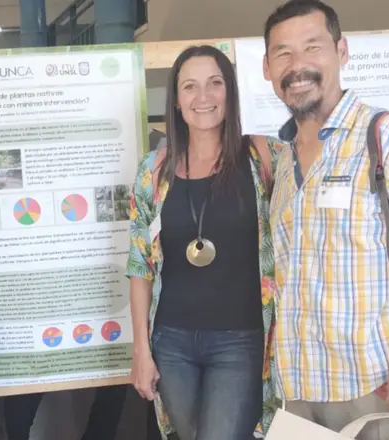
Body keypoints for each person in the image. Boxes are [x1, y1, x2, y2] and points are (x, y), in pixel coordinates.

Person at [263, 1, 389, 438]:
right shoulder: (283, 163)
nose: (298, 65)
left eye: (312, 47)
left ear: (342, 51)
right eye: (283, 53)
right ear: (267, 68)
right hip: (297, 391)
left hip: (373, 386)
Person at [128, 44, 284, 440]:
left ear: (230, 92)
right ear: (176, 101)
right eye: (190, 86)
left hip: (240, 341)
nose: (203, 97)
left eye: (215, 83)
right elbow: (140, 265)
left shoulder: (263, 157)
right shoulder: (154, 171)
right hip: (172, 342)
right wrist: (141, 350)